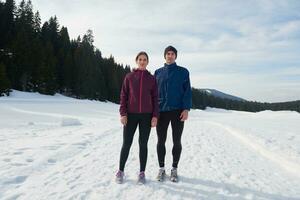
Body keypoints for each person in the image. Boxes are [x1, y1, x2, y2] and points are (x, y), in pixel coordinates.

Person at [115, 51, 159, 184]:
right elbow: (123, 96)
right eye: (140, 59)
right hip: (131, 115)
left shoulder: (152, 79)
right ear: (136, 61)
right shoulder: (129, 77)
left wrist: (155, 116)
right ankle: (120, 171)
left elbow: (156, 98)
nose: (142, 61)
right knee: (126, 143)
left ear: (147, 62)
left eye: (145, 59)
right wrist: (123, 113)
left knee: (143, 144)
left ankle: (142, 173)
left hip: (146, 116)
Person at [154, 46, 192, 182]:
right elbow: (154, 94)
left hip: (178, 112)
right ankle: (161, 169)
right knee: (161, 141)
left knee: (177, 141)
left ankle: (174, 169)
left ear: (175, 56)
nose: (170, 56)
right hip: (162, 112)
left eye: (172, 54)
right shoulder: (158, 72)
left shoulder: (183, 72)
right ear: (164, 56)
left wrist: (186, 109)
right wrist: (154, 112)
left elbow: (187, 91)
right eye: (168, 54)